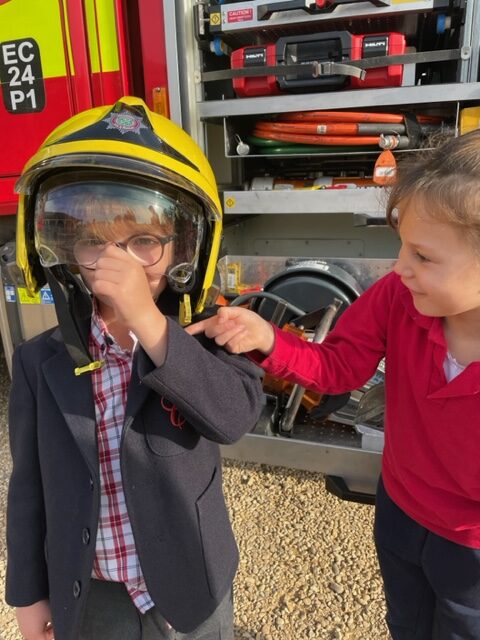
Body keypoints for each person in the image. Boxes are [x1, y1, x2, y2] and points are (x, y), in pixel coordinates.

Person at [187, 129, 480, 639]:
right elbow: (339, 365)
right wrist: (268, 339)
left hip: (472, 548)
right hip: (401, 511)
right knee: (406, 623)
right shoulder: (397, 298)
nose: (400, 268)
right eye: (402, 247)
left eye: (423, 257)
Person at [5, 97, 263, 640]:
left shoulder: (206, 336)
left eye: (144, 241)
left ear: (183, 247)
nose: (117, 261)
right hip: (92, 589)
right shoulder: (38, 360)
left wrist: (149, 321)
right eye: (94, 241)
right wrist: (26, 594)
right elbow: (27, 484)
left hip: (190, 589)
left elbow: (233, 417)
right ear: (64, 248)